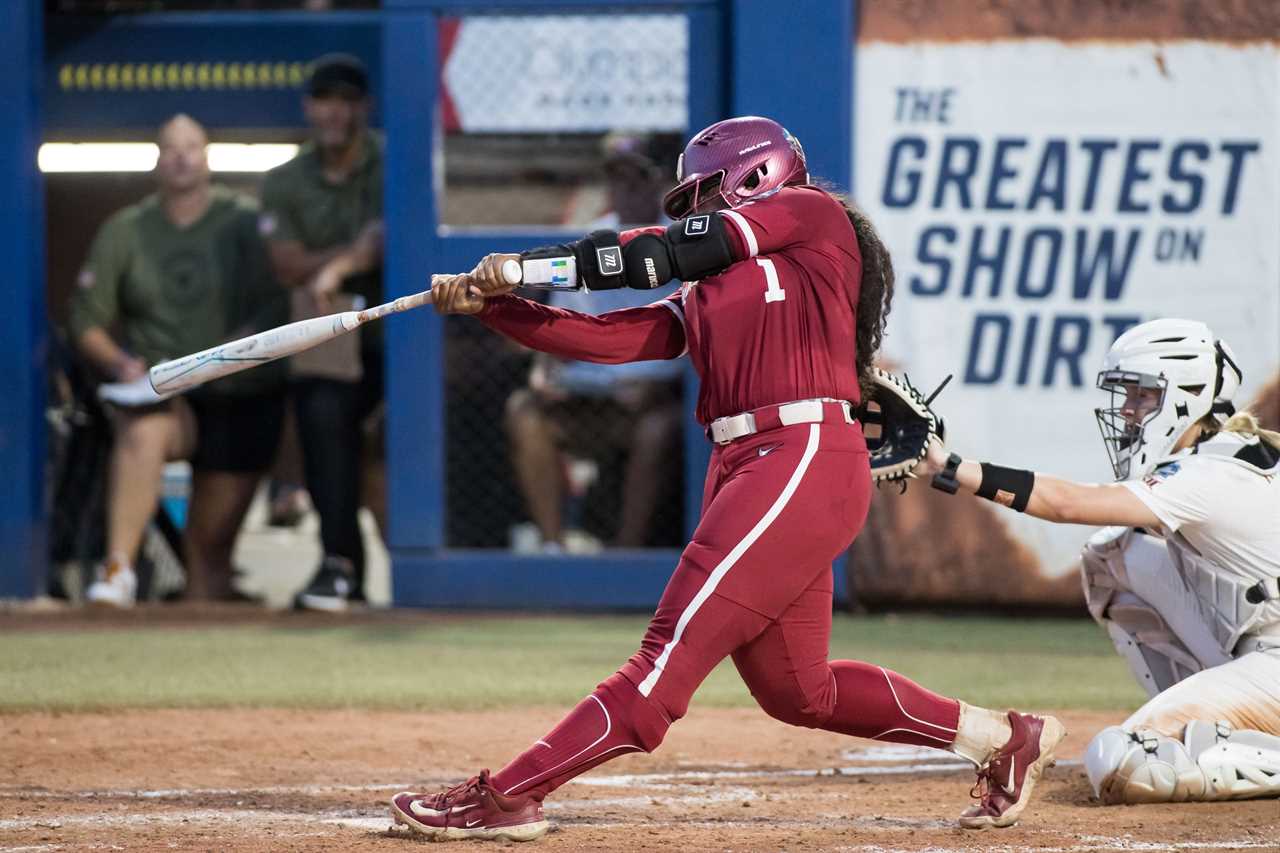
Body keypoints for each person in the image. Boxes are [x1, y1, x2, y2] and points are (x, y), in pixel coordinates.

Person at [387, 116, 1064, 842]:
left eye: (704, 192)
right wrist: (498, 307)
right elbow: (617, 338)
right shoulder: (714, 285)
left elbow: (674, 249)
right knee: (799, 688)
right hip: (748, 463)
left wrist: (530, 265)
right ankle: (1001, 736)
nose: (693, 211)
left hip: (799, 453)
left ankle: (508, 795)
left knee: (665, 661)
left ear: (756, 176)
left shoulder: (812, 215)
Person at [922, 318, 1280, 804]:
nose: (1129, 410)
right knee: (1113, 551)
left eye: (1144, 395)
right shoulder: (1220, 456)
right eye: (1127, 395)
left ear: (1188, 395)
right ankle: (1193, 719)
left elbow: (1067, 504)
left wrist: (951, 467)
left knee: (1122, 761)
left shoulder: (1209, 474)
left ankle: (1182, 737)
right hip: (1259, 647)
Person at [69, 113, 286, 605]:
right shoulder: (125, 228)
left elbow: (276, 304)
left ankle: (205, 624)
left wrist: (239, 347)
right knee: (142, 427)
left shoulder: (244, 220)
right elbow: (85, 319)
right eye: (170, 147)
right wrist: (122, 364)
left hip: (237, 393)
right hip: (165, 388)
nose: (182, 155)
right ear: (157, 162)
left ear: (208, 157)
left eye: (192, 146)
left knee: (206, 564)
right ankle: (118, 569)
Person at [506, 134, 683, 550]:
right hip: (588, 394)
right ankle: (553, 547)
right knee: (524, 412)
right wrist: (546, 370)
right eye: (617, 179)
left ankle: (625, 553)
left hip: (651, 398)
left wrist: (658, 383)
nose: (626, 189)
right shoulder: (589, 238)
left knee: (659, 429)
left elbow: (695, 332)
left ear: (661, 183)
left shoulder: (683, 240)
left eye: (637, 179)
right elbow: (564, 325)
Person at [260, 53, 384, 611]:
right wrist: (354, 251)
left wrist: (339, 265)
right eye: (325, 100)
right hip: (326, 337)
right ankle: (338, 565)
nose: (336, 112)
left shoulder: (391, 157)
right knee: (318, 410)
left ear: (364, 107)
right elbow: (285, 265)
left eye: (347, 101)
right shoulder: (286, 177)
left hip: (399, 330)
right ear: (310, 107)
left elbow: (390, 234)